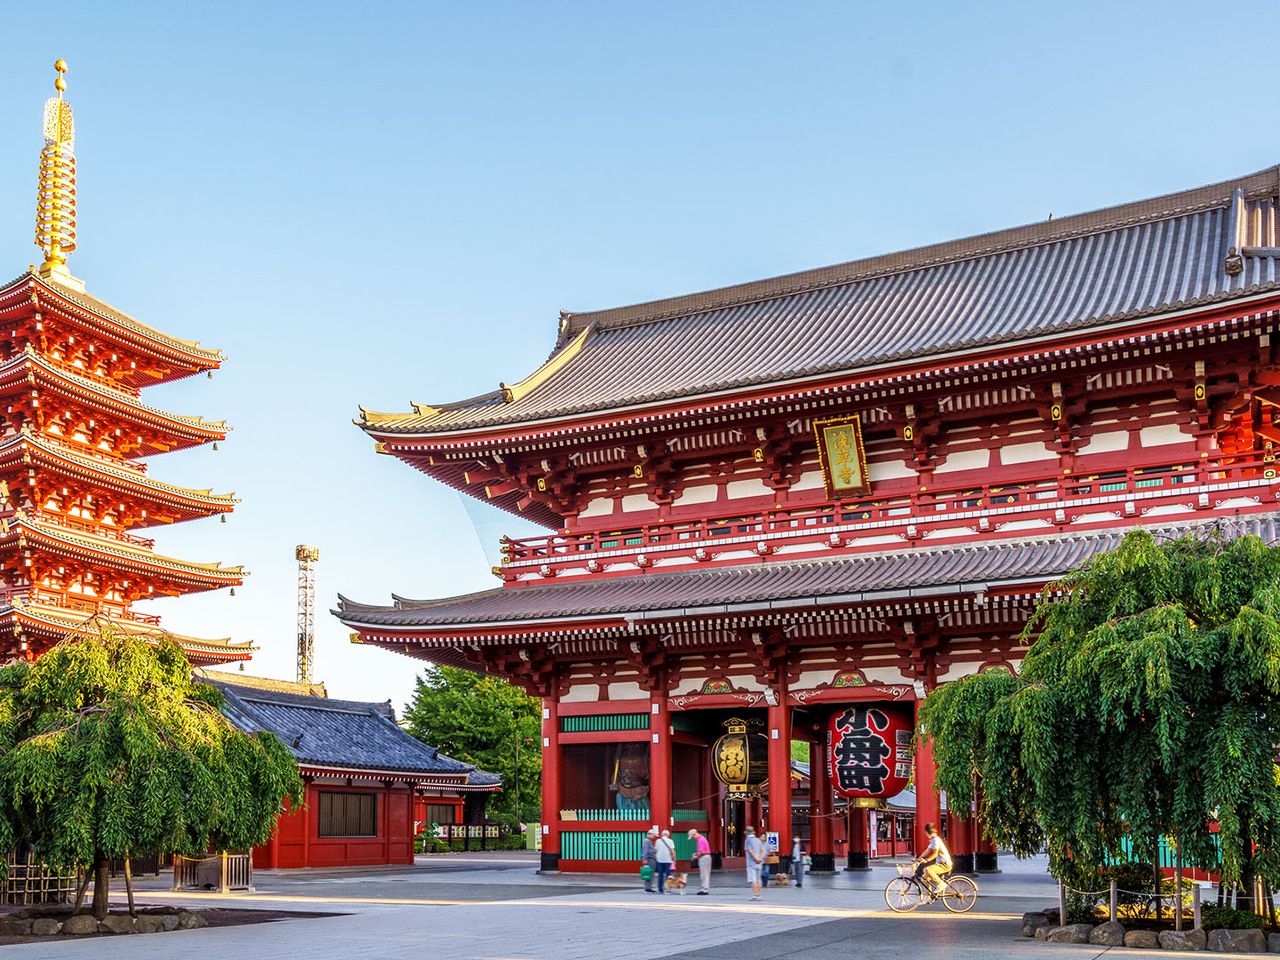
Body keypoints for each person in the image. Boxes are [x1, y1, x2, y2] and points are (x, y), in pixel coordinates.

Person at [913, 822, 952, 896]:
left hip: (945, 864)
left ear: (927, 832)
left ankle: (941, 884)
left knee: (927, 869)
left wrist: (926, 860)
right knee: (924, 878)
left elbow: (935, 854)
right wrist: (918, 859)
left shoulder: (936, 840)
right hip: (940, 864)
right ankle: (929, 897)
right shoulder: (933, 839)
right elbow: (927, 851)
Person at [743, 825, 766, 900]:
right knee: (758, 879)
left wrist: (755, 859)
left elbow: (750, 851)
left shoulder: (747, 840)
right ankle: (759, 894)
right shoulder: (758, 840)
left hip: (751, 863)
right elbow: (763, 851)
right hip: (759, 863)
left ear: (746, 832)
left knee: (753, 880)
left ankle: (756, 895)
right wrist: (760, 859)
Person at [688, 828, 712, 895]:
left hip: (704, 858)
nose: (693, 838)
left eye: (692, 837)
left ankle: (705, 889)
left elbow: (701, 852)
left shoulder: (700, 840)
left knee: (704, 874)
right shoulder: (701, 839)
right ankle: (703, 888)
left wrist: (695, 856)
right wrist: (696, 854)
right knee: (703, 874)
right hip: (705, 857)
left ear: (694, 834)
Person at [655, 828, 677, 894]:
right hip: (668, 860)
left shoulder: (658, 841)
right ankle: (668, 889)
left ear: (662, 834)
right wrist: (674, 859)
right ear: (668, 835)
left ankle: (660, 889)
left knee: (660, 875)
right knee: (668, 875)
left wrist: (656, 857)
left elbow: (656, 850)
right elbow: (673, 851)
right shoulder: (670, 841)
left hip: (660, 859)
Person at [640, 828, 658, 893]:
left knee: (650, 874)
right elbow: (645, 850)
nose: (654, 837)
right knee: (649, 874)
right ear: (650, 834)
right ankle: (647, 888)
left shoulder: (648, 841)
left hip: (650, 859)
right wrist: (645, 859)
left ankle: (648, 887)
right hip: (649, 859)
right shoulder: (647, 841)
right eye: (654, 835)